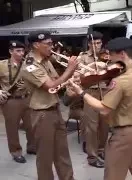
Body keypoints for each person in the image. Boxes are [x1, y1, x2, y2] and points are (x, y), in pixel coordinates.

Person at [67, 37, 132, 180]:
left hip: (124, 135)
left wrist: (81, 92)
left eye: (111, 55)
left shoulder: (120, 81)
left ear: (122, 54)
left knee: (113, 174)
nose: (109, 60)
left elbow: (104, 108)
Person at [20, 31, 78, 180]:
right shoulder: (30, 65)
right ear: (36, 45)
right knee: (45, 156)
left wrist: (72, 79)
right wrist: (70, 69)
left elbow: (57, 82)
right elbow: (51, 86)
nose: (51, 47)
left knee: (62, 152)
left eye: (52, 43)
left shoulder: (46, 61)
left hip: (55, 110)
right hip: (42, 114)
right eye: (48, 44)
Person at [0, 41, 36, 163]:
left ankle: (32, 147)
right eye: (18, 51)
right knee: (12, 128)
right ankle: (16, 152)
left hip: (27, 98)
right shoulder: (2, 65)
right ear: (11, 51)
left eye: (22, 51)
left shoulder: (28, 64)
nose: (21, 53)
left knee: (31, 125)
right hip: (11, 101)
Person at [77, 31, 108, 168]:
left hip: (106, 91)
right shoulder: (83, 57)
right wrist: (91, 69)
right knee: (91, 127)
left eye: (99, 43)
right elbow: (78, 74)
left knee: (105, 125)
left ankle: (102, 150)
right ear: (89, 43)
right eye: (93, 43)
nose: (96, 46)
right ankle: (92, 156)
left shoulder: (106, 55)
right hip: (90, 92)